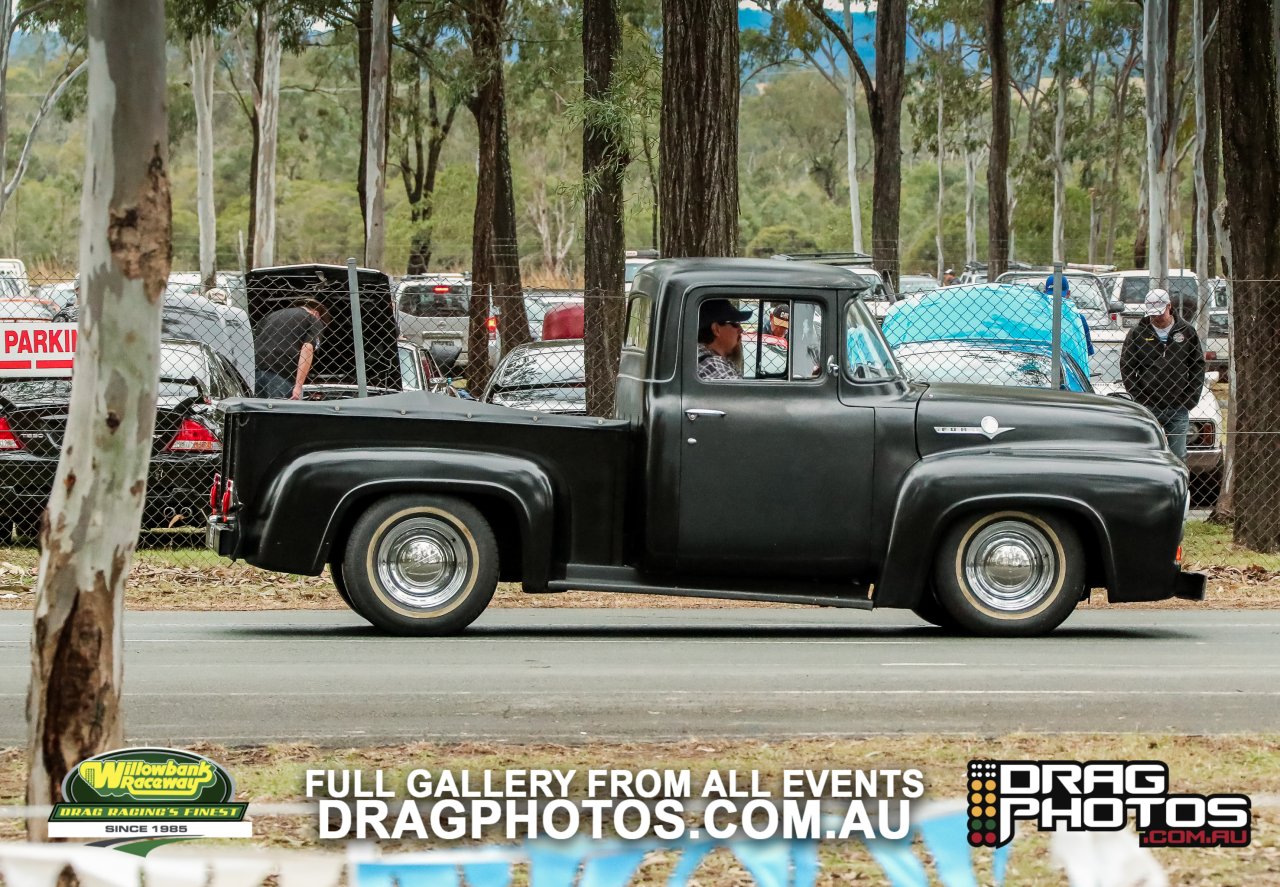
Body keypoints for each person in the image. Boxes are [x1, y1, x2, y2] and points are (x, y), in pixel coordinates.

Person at [1120, 288, 1205, 461]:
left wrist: (1190, 399)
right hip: (1148, 406)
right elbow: (1127, 366)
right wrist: (1139, 397)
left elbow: (1197, 366)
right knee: (1146, 456)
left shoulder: (1187, 331)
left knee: (1178, 457)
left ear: (1169, 307)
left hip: (1178, 407)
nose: (1156, 318)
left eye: (1160, 313)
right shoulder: (1138, 333)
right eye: (1152, 314)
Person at [254, 298, 330, 399]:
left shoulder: (270, 316)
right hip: (281, 371)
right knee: (278, 412)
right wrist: (298, 387)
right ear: (316, 313)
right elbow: (307, 348)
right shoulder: (313, 319)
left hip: (255, 370)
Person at [696, 298, 752, 381]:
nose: (741, 330)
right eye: (735, 324)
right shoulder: (713, 366)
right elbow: (744, 394)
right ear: (716, 329)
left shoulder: (698, 356)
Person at [1044, 275, 1094, 357]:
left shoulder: (1079, 319)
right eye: (1052, 297)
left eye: (1060, 297)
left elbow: (1086, 351)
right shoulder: (1078, 319)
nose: (1056, 300)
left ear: (1068, 294)